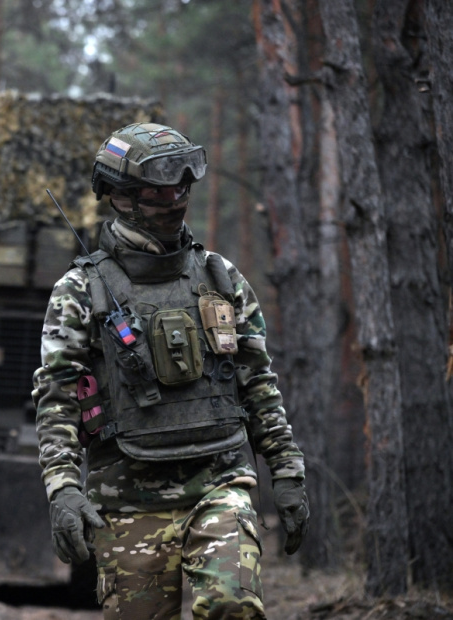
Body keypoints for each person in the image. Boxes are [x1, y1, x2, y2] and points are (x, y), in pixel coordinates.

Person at [32, 122, 309, 619]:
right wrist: (63, 488)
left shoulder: (220, 279)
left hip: (220, 479)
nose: (174, 198)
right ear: (121, 196)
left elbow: (258, 384)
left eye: (183, 185)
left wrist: (286, 471)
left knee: (232, 604)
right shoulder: (80, 292)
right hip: (127, 497)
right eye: (159, 188)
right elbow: (56, 396)